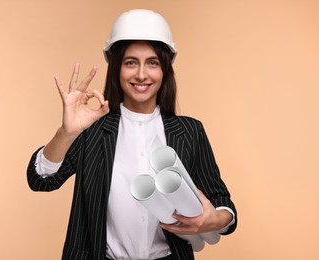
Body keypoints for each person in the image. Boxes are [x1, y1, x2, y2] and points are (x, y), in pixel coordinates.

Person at [27, 9, 237, 260]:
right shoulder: (91, 131)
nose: (141, 74)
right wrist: (66, 133)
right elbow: (40, 180)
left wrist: (215, 220)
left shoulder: (190, 132)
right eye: (131, 62)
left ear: (164, 70)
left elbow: (223, 204)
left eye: (152, 62)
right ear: (117, 69)